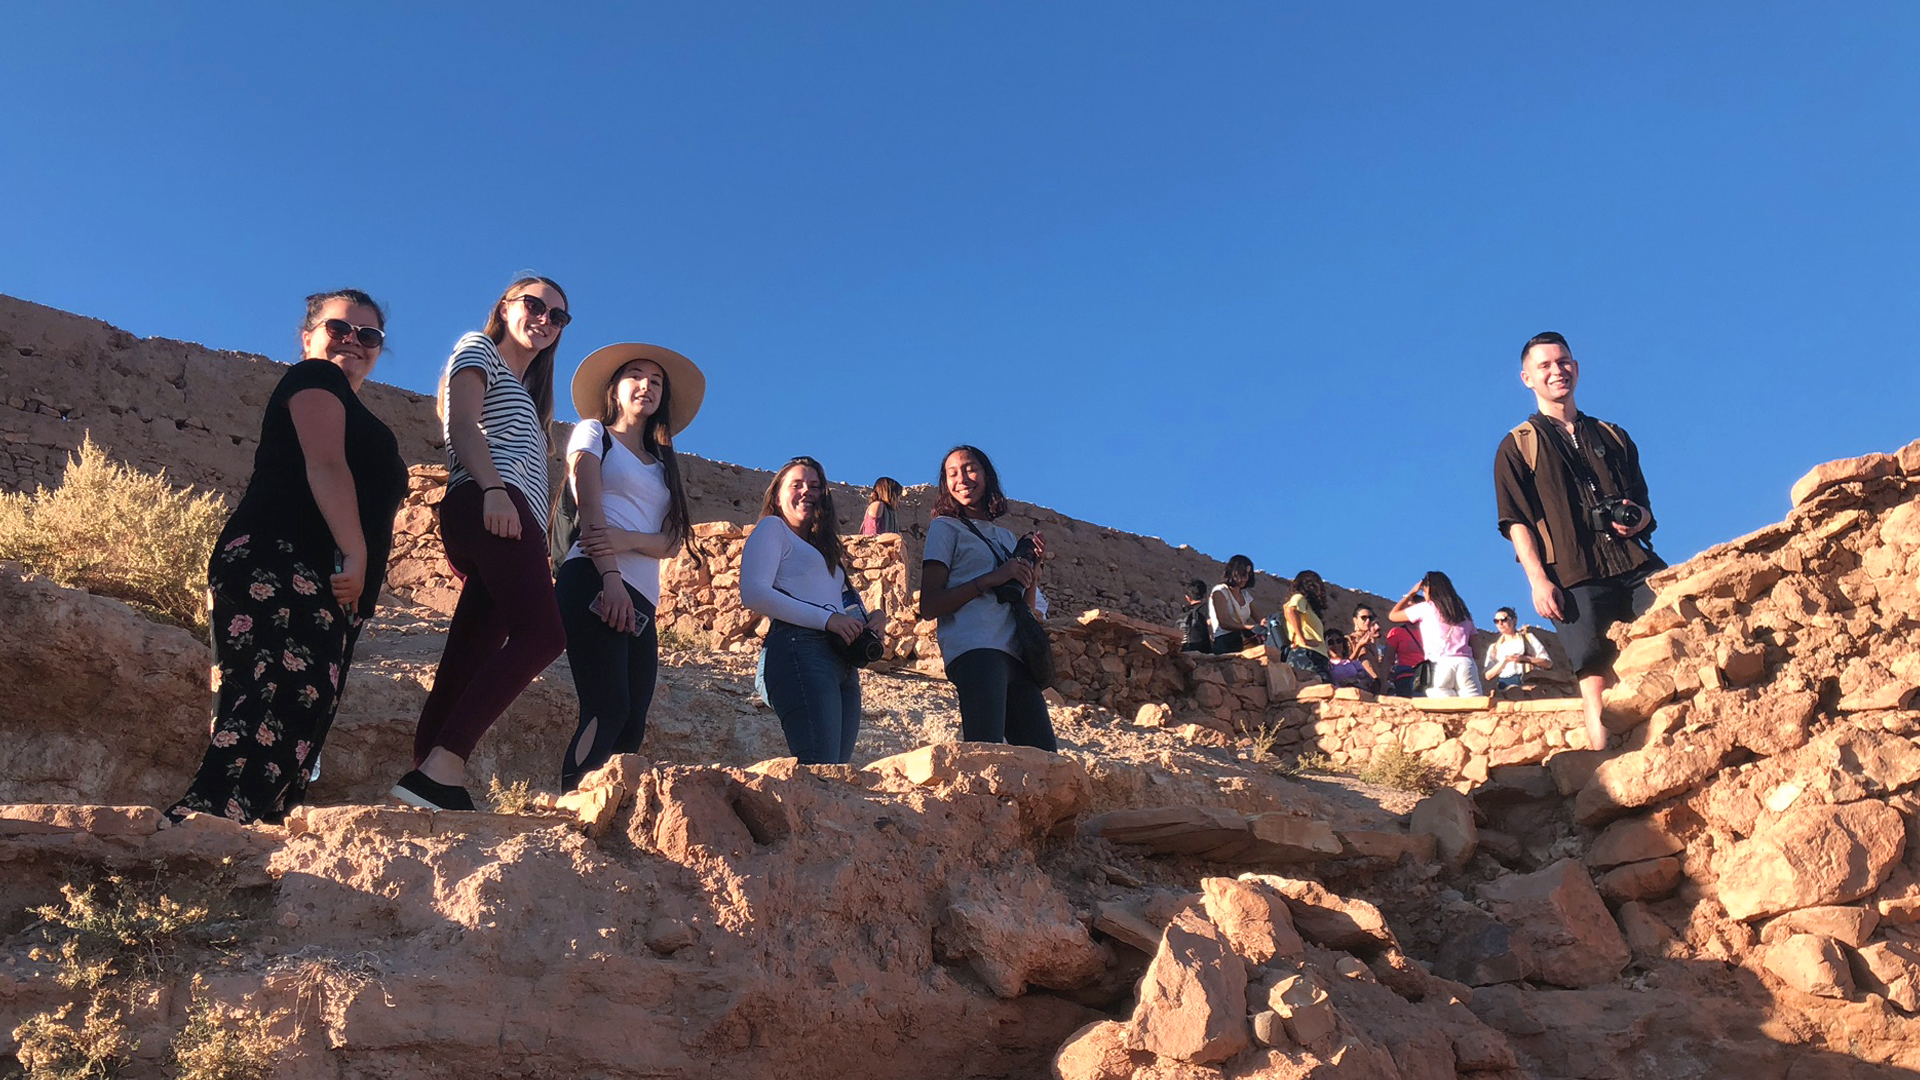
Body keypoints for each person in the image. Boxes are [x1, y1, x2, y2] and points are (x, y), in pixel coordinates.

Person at [168, 290, 408, 824]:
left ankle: (242, 848)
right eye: (338, 329)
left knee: (295, 722)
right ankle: (197, 835)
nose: (353, 342)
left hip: (321, 582)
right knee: (264, 708)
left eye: (368, 336)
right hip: (279, 561)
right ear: (309, 338)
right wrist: (355, 551)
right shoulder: (313, 378)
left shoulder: (358, 409)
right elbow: (324, 465)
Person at [397, 277, 571, 811]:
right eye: (534, 305)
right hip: (489, 501)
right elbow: (462, 425)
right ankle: (446, 765)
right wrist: (495, 491)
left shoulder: (529, 396)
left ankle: (425, 777)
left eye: (557, 316)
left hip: (511, 516)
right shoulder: (479, 349)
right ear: (505, 305)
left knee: (469, 652)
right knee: (544, 633)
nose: (544, 319)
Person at [1494, 330, 1661, 749]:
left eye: (1563, 362)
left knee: (1668, 640)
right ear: (1526, 378)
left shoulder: (1613, 435)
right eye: (1545, 366)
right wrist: (1538, 580)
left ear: (1577, 367)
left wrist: (1637, 518)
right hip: (1571, 574)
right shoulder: (1517, 447)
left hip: (1634, 564)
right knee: (1594, 672)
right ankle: (1608, 760)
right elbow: (1516, 522)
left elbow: (1644, 506)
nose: (1557, 371)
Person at [554, 343, 703, 791]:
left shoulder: (664, 466)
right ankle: (573, 802)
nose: (646, 386)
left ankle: (609, 810)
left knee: (633, 720)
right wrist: (611, 574)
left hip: (642, 596)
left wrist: (628, 541)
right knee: (607, 706)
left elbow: (672, 541)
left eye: (656, 381)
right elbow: (588, 499)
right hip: (595, 579)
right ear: (614, 388)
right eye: (636, 376)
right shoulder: (593, 434)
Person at [740, 457, 882, 764]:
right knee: (820, 766)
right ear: (777, 495)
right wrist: (827, 619)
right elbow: (753, 593)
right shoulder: (772, 529)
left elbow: (839, 604)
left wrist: (871, 619)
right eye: (797, 484)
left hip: (841, 660)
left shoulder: (823, 550)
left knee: (836, 773)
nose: (807, 491)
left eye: (815, 486)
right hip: (799, 648)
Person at [918, 445, 1057, 750]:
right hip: (976, 648)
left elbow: (1027, 607)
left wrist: (1032, 570)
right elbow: (929, 605)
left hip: (1016, 653)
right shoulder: (945, 528)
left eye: (969, 469)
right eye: (952, 473)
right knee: (986, 749)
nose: (962, 479)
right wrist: (991, 579)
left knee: (1043, 755)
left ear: (986, 475)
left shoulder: (1006, 537)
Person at [1389, 571, 1484, 698]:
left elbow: (1393, 615)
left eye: (1423, 590)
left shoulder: (1426, 608)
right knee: (1474, 707)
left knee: (1444, 711)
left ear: (1429, 589)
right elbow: (1477, 651)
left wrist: (1411, 593)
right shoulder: (1464, 613)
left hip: (1440, 665)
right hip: (1466, 664)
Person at [1483, 606, 1552, 692]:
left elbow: (1547, 663)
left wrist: (1524, 659)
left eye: (1503, 620)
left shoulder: (1528, 638)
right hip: (1504, 683)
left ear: (1514, 620)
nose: (1500, 623)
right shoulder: (1495, 647)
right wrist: (1505, 661)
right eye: (1496, 621)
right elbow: (1488, 675)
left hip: (1527, 679)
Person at [1281, 570, 1332, 682]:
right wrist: (1303, 639)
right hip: (1306, 653)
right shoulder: (1299, 597)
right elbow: (1291, 610)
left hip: (1316, 655)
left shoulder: (1309, 608)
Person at [1207, 555, 1262, 654]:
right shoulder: (1220, 591)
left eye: (1248, 575)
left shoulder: (1246, 596)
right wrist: (1249, 627)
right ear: (1233, 572)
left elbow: (1260, 619)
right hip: (1224, 642)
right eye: (1242, 574)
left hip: (1241, 642)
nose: (1245, 578)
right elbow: (1224, 622)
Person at [1383, 617, 1425, 697]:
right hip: (1405, 676)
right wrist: (1383, 682)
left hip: (1426, 676)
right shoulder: (1397, 632)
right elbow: (1388, 659)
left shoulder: (1430, 631)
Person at [1179, 577, 1212, 653]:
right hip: (1203, 652)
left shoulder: (1183, 613)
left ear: (1187, 598)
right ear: (1206, 595)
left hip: (1185, 652)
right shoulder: (1207, 608)